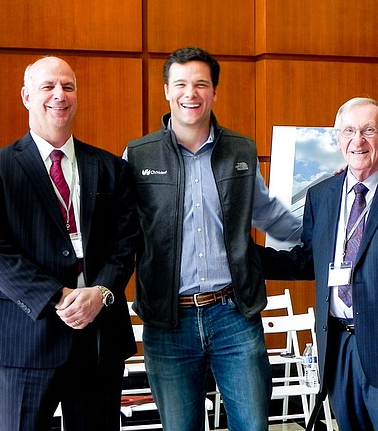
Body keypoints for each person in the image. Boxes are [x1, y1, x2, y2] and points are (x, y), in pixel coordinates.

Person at [125, 46, 301, 431]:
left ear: (214, 92)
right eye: (182, 84)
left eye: (201, 84)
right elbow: (122, 232)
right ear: (167, 91)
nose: (191, 93)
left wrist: (322, 236)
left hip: (233, 313)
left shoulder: (241, 150)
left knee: (253, 425)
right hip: (168, 321)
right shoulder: (138, 155)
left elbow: (267, 212)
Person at [0, 56, 139, 430]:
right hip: (24, 338)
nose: (59, 95)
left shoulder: (111, 168)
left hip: (98, 338)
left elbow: (125, 242)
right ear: (27, 96)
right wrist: (56, 296)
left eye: (68, 86)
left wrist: (102, 292)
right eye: (48, 87)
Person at [258, 96, 378, 430]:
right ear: (337, 139)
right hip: (338, 348)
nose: (358, 140)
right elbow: (308, 261)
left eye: (368, 130)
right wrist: (244, 257)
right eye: (349, 131)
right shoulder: (322, 195)